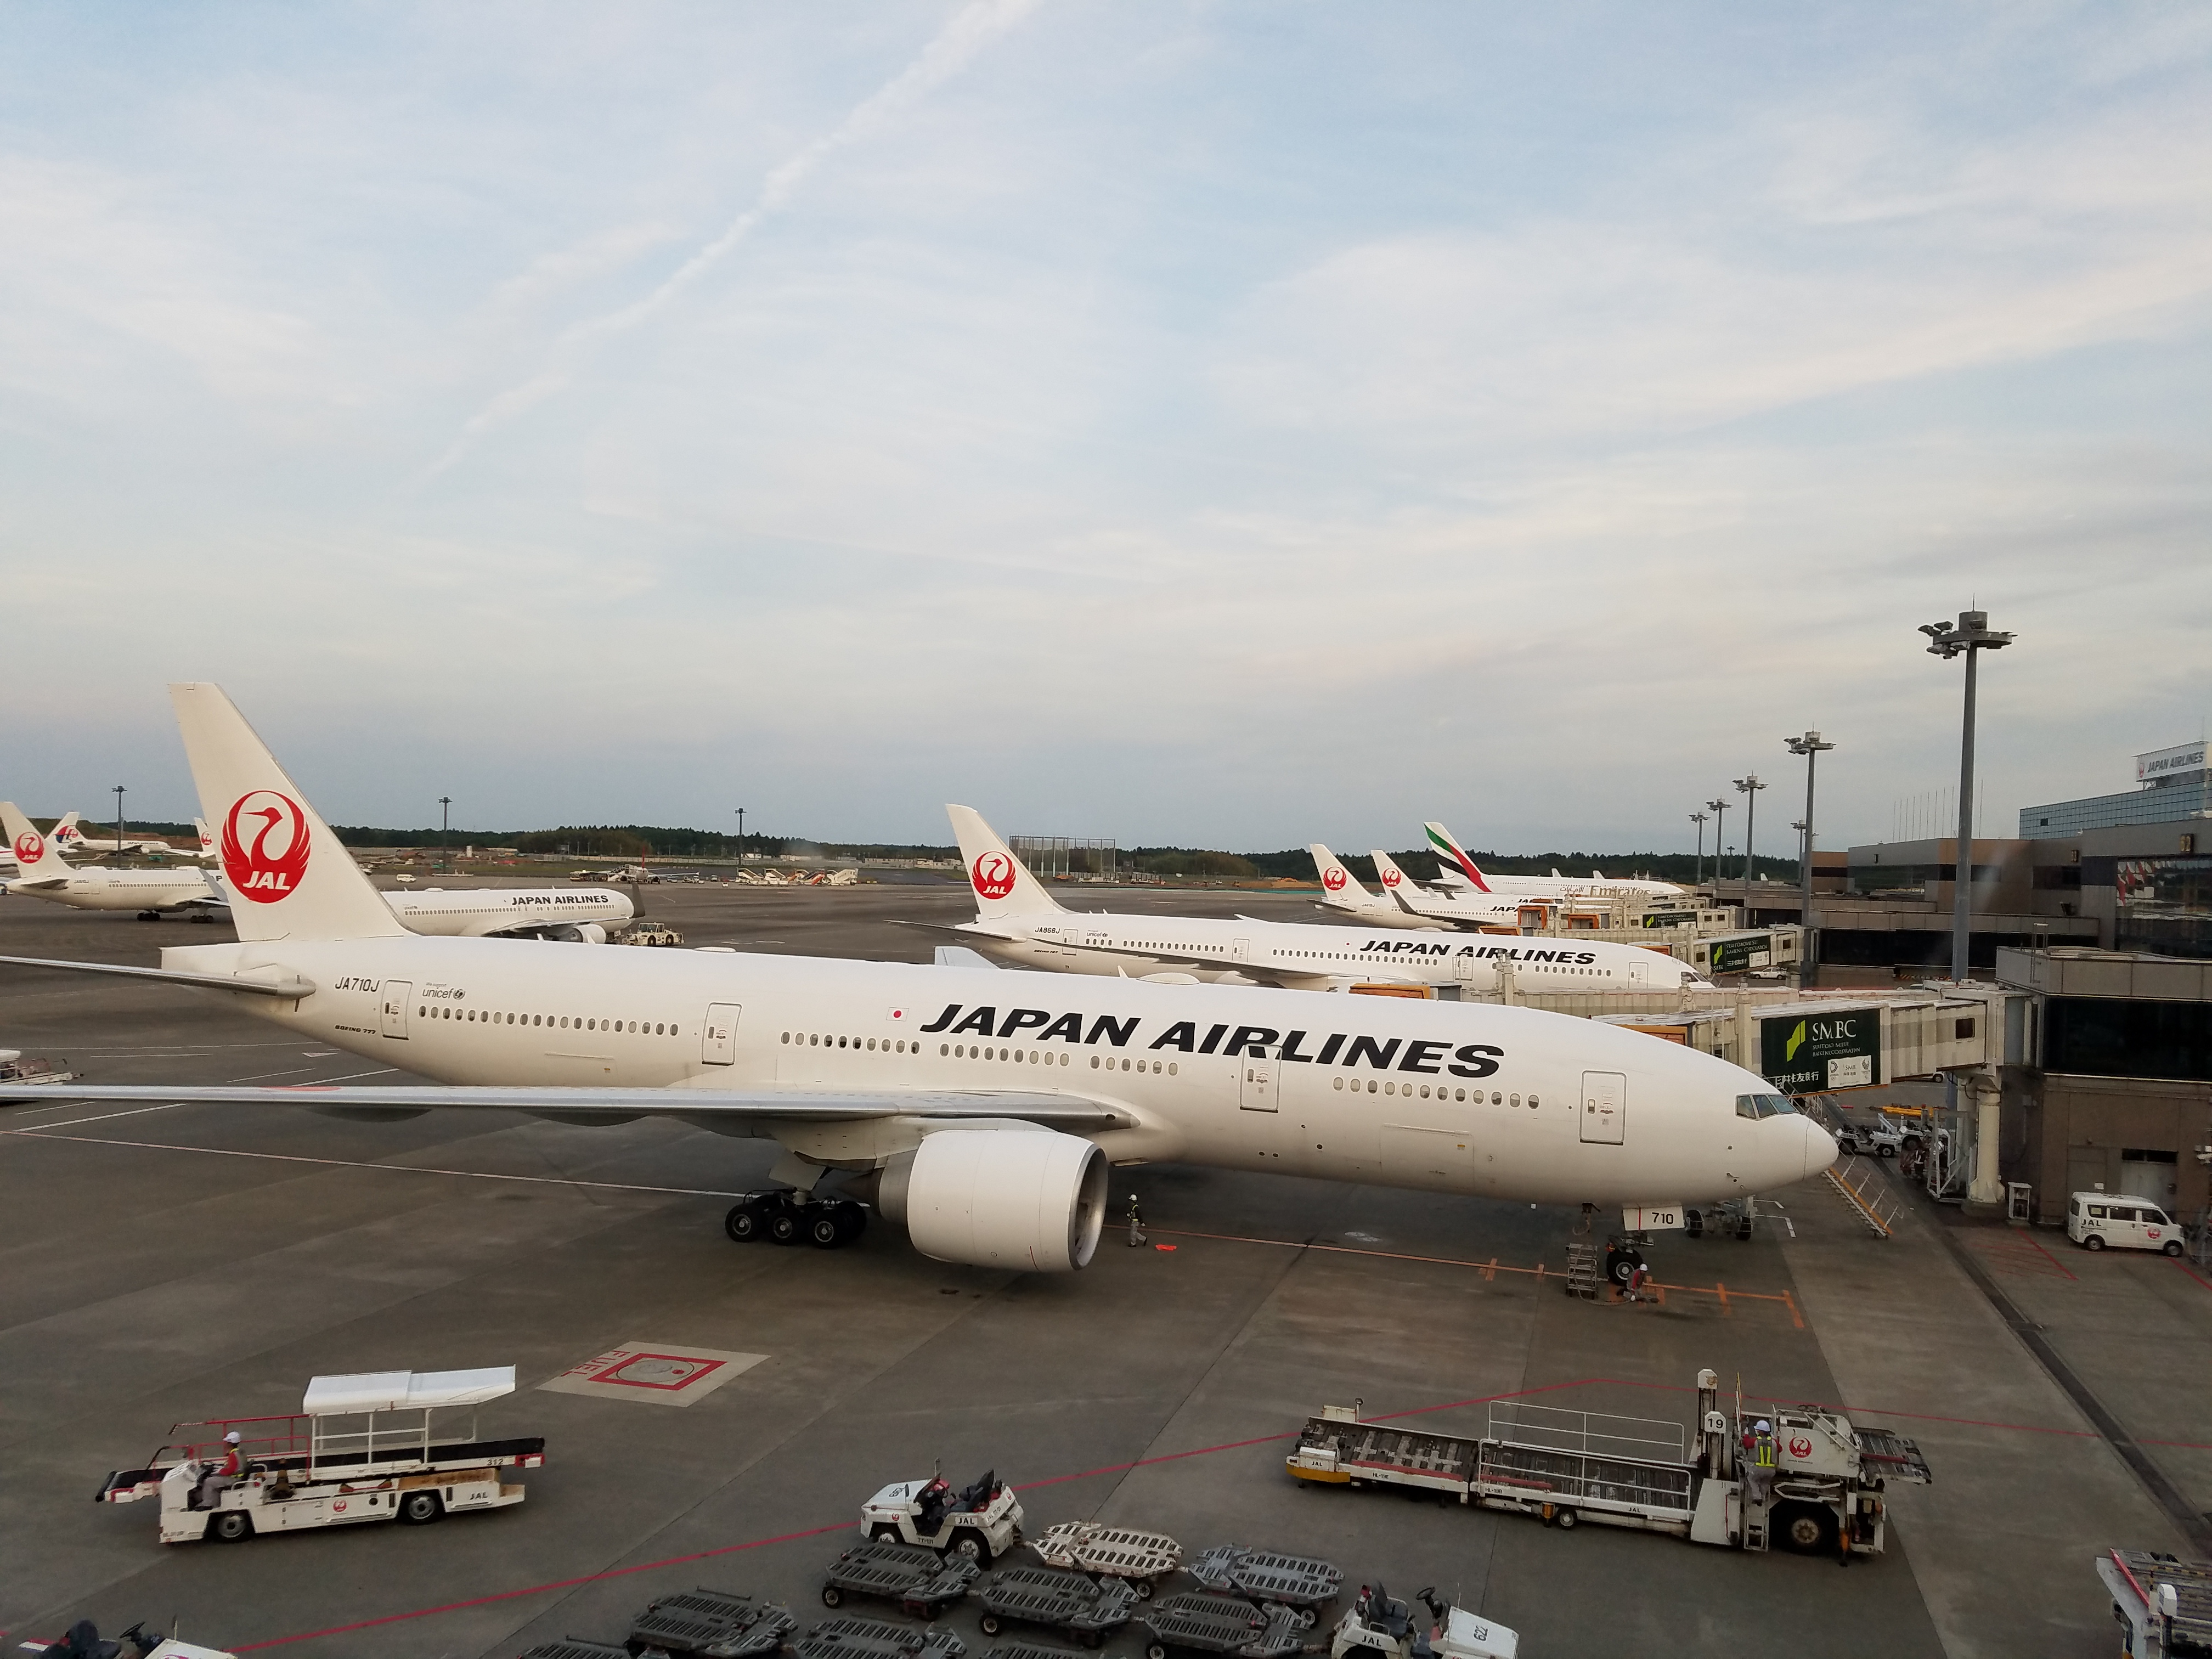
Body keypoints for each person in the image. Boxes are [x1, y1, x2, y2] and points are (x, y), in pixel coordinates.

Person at [195, 1430, 244, 1510]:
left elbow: (231, 1470)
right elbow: (233, 1466)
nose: (225, 1444)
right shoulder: (239, 1452)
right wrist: (219, 1468)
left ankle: (207, 1503)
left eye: (227, 1442)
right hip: (237, 1477)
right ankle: (216, 1504)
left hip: (233, 1479)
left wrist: (220, 1471)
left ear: (230, 1443)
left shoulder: (233, 1455)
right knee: (214, 1480)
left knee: (208, 1482)